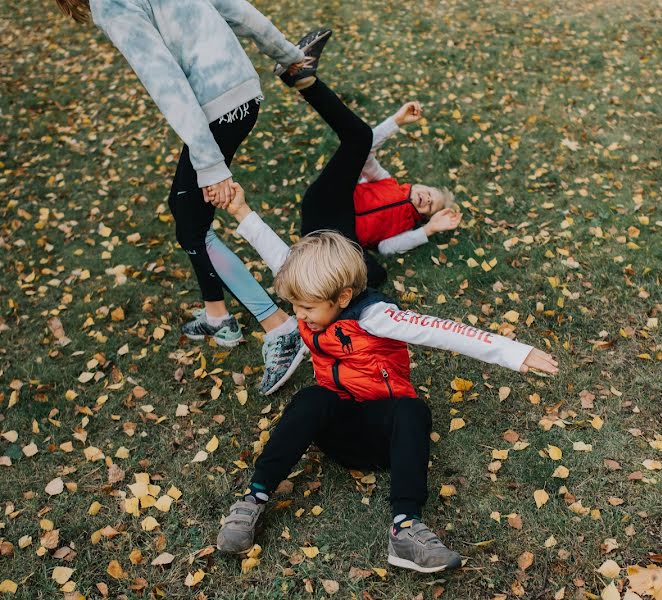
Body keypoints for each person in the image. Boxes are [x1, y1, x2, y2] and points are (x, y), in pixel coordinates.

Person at [214, 190, 558, 571]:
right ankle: (253, 499)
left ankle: (406, 528)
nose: (299, 316)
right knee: (310, 399)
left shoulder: (377, 317)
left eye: (306, 309)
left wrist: (514, 352)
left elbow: (444, 331)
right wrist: (241, 210)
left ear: (343, 296)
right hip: (338, 427)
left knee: (412, 409)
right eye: (295, 306)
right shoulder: (312, 292)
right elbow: (277, 254)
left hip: (385, 439)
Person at [53, 0, 330, 395]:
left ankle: (280, 327)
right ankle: (218, 316)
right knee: (185, 213)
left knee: (193, 230)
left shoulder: (110, 3)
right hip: (243, 94)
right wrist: (288, 55)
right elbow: (235, 8)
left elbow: (163, 78)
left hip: (214, 109)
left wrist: (210, 164)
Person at [353, 101, 463, 256]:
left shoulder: (406, 228)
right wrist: (396, 121)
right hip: (336, 201)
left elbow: (385, 248)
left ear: (424, 217)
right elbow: (364, 150)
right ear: (418, 185)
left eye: (431, 207)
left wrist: (429, 229)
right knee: (358, 146)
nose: (428, 200)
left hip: (342, 237)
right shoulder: (385, 181)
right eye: (429, 193)